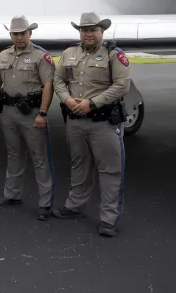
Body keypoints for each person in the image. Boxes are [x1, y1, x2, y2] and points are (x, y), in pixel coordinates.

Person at [51, 12, 131, 238]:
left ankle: (108, 219)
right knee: (79, 165)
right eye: (84, 30)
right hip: (75, 121)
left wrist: (92, 103)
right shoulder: (69, 53)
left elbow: (122, 85)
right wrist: (66, 99)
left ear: (102, 32)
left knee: (110, 170)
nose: (88, 33)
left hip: (103, 122)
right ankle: (75, 207)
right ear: (79, 32)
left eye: (93, 30)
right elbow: (58, 80)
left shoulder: (113, 55)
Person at [0, 16, 56, 220]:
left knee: (39, 157)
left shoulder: (40, 56)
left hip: (31, 113)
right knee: (13, 154)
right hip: (8, 112)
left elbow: (49, 86)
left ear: (30, 34)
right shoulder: (4, 56)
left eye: (22, 33)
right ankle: (12, 194)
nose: (18, 37)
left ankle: (45, 203)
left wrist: (43, 113)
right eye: (15, 33)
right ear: (10, 35)